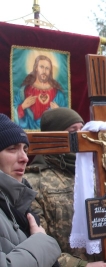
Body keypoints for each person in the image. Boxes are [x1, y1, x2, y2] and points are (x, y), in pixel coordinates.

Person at [24, 108, 106, 267]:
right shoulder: (33, 182)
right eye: (73, 132)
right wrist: (83, 266)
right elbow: (39, 244)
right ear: (53, 136)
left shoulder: (101, 173)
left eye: (83, 129)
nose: (83, 137)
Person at [0, 113, 61, 266]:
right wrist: (42, 242)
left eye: (25, 149)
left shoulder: (18, 205)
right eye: (12, 148)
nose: (25, 158)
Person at [14, 55, 67, 129]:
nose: (44, 71)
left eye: (47, 68)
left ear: (50, 71)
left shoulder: (58, 94)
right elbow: (13, 112)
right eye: (41, 67)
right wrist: (22, 107)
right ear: (36, 68)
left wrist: (59, 111)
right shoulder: (23, 92)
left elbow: (68, 117)